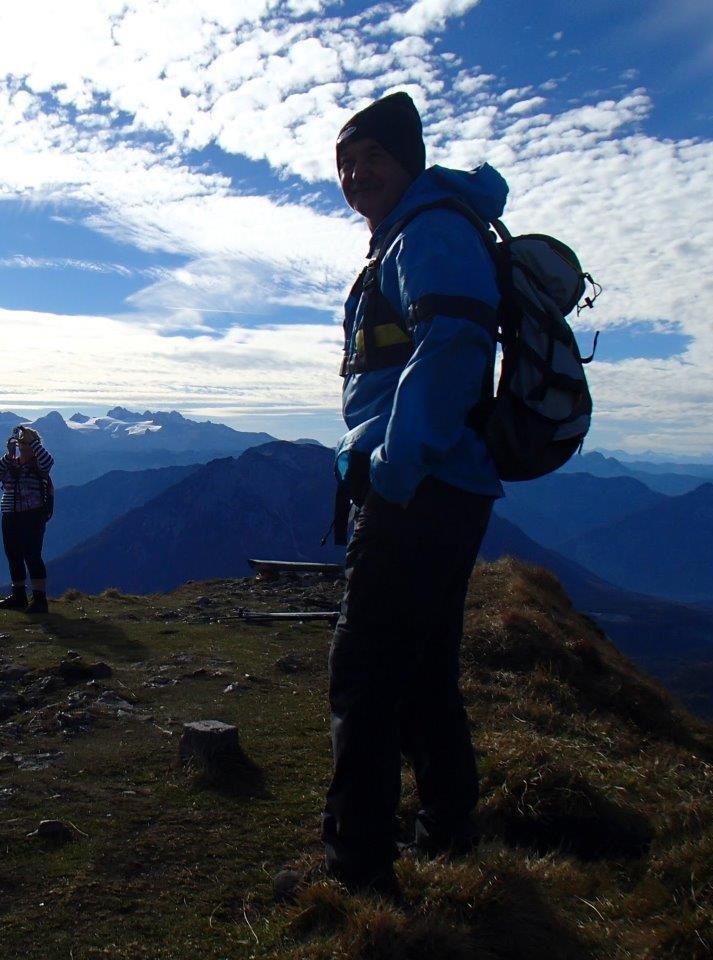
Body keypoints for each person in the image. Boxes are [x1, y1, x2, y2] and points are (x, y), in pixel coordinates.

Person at [322, 92, 503, 898]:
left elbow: (456, 343)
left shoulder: (429, 230)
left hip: (420, 488)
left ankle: (358, 869)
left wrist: (392, 468)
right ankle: (448, 832)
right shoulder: (411, 232)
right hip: (438, 483)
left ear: (409, 162)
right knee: (425, 669)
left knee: (363, 673)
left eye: (373, 158)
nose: (357, 174)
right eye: (346, 162)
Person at [0, 425, 54, 614]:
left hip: (32, 515)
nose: (22, 446)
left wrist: (33, 442)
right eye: (20, 443)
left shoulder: (39, 465)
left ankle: (40, 600)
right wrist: (9, 455)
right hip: (9, 514)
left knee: (32, 555)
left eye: (26, 443)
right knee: (13, 554)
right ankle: (19, 596)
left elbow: (49, 461)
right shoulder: (12, 464)